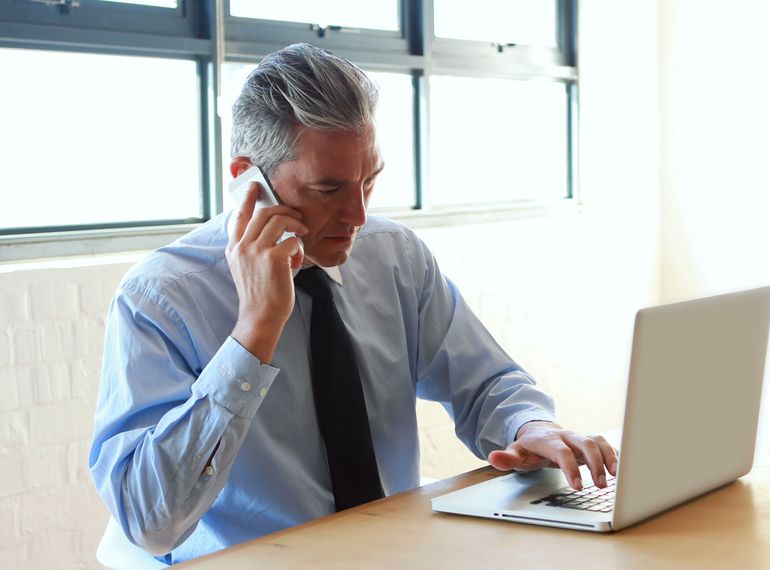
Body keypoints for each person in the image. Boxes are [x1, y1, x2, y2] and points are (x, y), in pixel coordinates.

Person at [89, 43, 617, 565]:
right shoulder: (160, 298)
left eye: (370, 180)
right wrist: (254, 331)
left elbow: (485, 383)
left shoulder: (394, 257)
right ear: (249, 180)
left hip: (392, 554)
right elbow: (149, 523)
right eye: (328, 188)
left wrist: (530, 427)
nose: (358, 215)